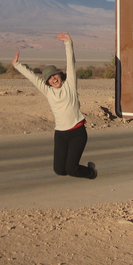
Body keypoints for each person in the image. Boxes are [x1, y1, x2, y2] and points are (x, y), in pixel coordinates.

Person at [12, 32, 97, 180]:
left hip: (77, 132)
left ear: (59, 74)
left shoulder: (70, 85)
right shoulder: (47, 91)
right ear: (47, 82)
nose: (53, 79)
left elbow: (71, 62)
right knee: (59, 170)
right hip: (60, 134)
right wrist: (17, 65)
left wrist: (68, 43)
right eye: (50, 78)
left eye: (54, 75)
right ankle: (81, 170)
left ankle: (91, 172)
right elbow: (32, 77)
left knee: (71, 169)